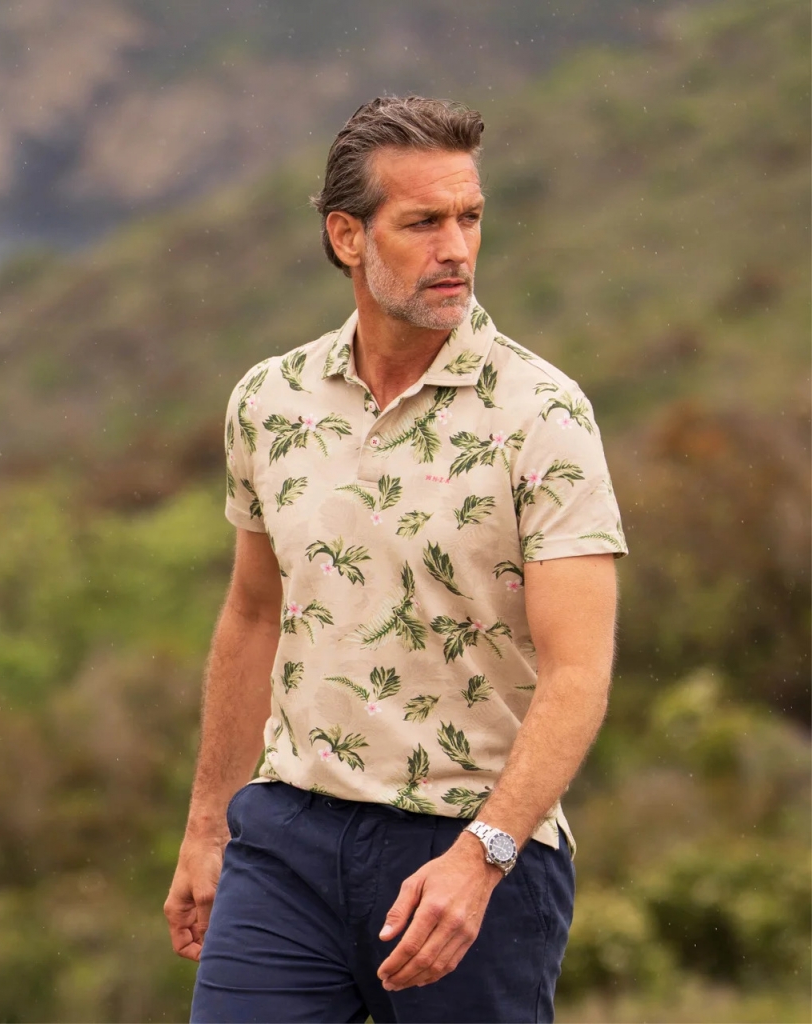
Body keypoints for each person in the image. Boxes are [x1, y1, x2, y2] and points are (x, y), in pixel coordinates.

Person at [165, 95, 627, 1024]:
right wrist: (208, 824)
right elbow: (254, 614)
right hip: (285, 840)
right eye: (423, 223)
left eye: (470, 218)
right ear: (347, 236)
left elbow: (578, 671)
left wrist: (482, 857)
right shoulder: (270, 400)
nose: (456, 248)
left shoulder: (544, 415)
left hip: (472, 850)